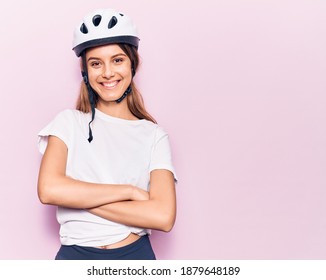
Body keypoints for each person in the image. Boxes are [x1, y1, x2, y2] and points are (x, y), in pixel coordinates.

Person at [37, 8, 177, 260]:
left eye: (117, 60)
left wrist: (76, 197)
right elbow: (49, 190)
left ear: (133, 64)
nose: (108, 73)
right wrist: (130, 193)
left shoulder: (154, 135)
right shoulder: (68, 123)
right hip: (74, 256)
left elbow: (163, 217)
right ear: (85, 72)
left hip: (135, 257)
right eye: (96, 63)